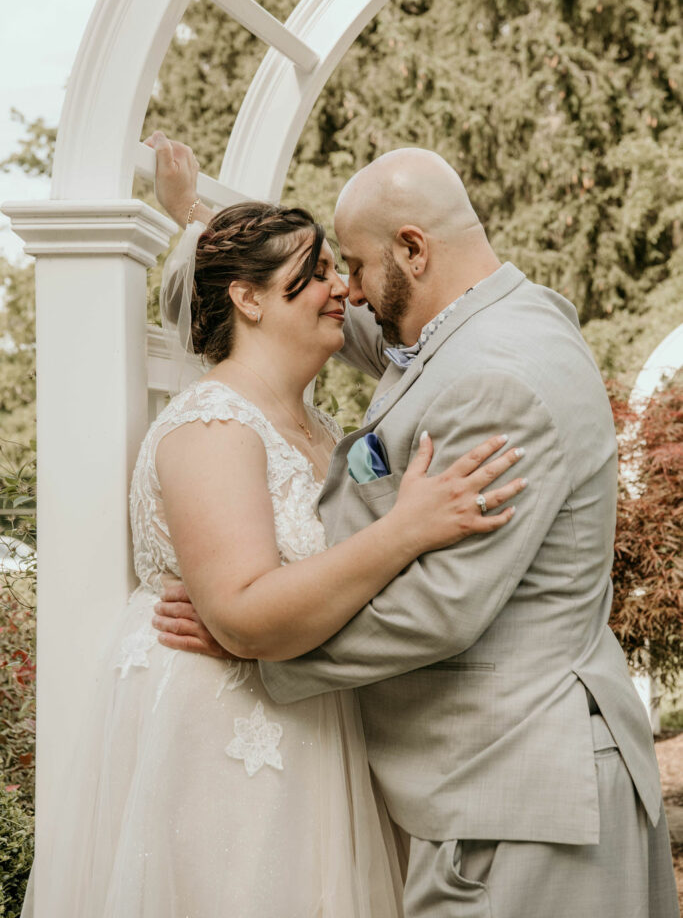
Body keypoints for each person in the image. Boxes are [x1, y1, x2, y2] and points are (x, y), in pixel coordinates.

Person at [153, 138, 679, 918]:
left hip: (515, 796)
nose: (346, 292)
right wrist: (197, 221)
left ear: (412, 250)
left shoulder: (494, 377)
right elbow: (299, 313)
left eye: (354, 266)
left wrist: (254, 641)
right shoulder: (494, 318)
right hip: (503, 784)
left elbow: (439, 608)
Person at [23, 135, 528, 918]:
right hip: (227, 738)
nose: (342, 291)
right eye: (317, 273)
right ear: (248, 299)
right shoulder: (214, 428)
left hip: (317, 724)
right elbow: (243, 611)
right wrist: (406, 527)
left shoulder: (321, 430)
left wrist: (194, 212)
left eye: (336, 270)